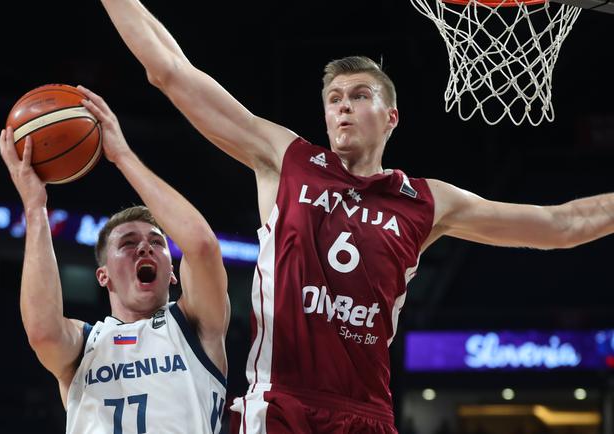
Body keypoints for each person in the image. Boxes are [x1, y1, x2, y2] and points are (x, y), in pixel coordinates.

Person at [99, 1, 614, 432]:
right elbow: (168, 69)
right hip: (282, 405)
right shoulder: (287, 160)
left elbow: (562, 225)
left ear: (391, 117)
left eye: (360, 96)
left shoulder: (427, 201)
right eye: (334, 99)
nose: (343, 107)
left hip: (368, 414)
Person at [0, 87, 230, 434]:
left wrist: (122, 155)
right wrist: (35, 208)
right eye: (128, 243)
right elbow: (43, 332)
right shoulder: (85, 344)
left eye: (156, 242)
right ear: (103, 276)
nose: (144, 249)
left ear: (173, 275)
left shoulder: (195, 326)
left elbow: (200, 244)